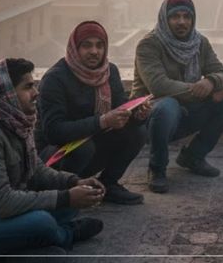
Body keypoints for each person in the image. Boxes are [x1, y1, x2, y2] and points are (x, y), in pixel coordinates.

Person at [0, 59, 105, 256]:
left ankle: (46, 237)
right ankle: (63, 235)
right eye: (28, 87)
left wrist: (74, 182)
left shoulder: (15, 123)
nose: (36, 93)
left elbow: (37, 170)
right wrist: (65, 197)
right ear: (6, 93)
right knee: (43, 221)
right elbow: (1, 202)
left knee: (71, 205)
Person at [132, 0, 223, 193]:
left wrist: (211, 81)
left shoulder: (200, 43)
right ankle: (157, 169)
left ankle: (193, 156)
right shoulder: (148, 45)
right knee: (167, 105)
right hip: (149, 116)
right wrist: (207, 93)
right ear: (165, 18)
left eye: (186, 16)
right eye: (175, 17)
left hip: (186, 112)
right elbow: (159, 86)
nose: (182, 22)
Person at [37, 21, 147, 205]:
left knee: (137, 132)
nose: (94, 51)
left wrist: (137, 116)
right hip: (54, 155)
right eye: (87, 45)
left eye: (99, 45)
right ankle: (66, 194)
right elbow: (53, 132)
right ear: (74, 48)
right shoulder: (55, 79)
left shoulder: (109, 71)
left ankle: (109, 184)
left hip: (93, 142)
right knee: (82, 147)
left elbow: (120, 109)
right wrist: (102, 121)